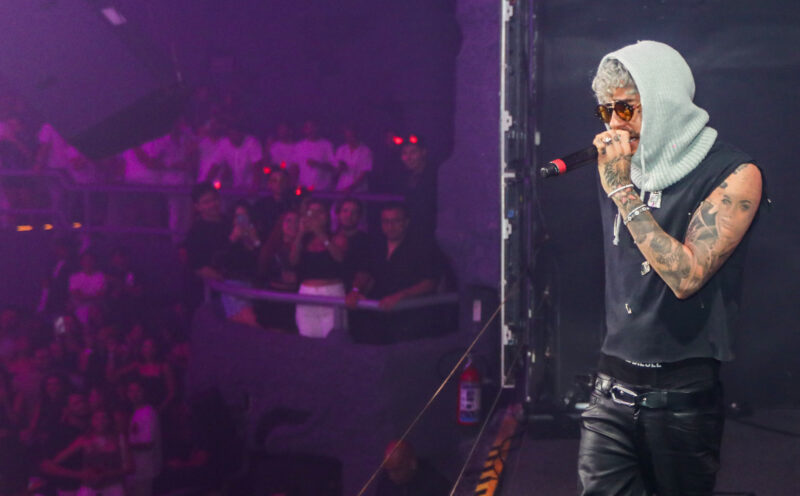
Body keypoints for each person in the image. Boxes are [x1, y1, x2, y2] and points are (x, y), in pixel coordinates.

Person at [577, 41, 764, 496]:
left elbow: (687, 277)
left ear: (663, 102)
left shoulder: (734, 173)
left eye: (627, 108)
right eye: (606, 112)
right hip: (610, 387)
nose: (615, 125)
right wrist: (622, 182)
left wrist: (623, 192)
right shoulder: (621, 168)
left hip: (680, 397)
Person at [345, 204, 440, 344]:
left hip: (408, 318)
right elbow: (364, 272)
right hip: (377, 317)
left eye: (396, 221)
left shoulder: (421, 247)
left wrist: (400, 296)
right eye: (386, 221)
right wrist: (355, 290)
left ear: (406, 222)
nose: (390, 226)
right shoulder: (375, 245)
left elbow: (430, 283)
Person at [290, 199, 348, 338]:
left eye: (319, 212)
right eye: (312, 212)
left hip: (330, 293)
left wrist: (320, 233)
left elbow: (339, 257)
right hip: (306, 293)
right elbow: (292, 261)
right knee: (307, 340)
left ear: (327, 216)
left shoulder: (337, 237)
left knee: (333, 340)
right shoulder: (304, 240)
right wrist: (300, 233)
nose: (315, 215)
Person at [374, 440, 450, 496]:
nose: (391, 476)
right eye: (388, 470)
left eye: (396, 470)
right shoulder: (385, 482)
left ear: (412, 463)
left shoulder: (434, 482)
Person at [293, 120, 335, 191]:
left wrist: (318, 164)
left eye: (313, 127)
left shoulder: (327, 145)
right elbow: (295, 167)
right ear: (304, 130)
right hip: (304, 188)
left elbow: (333, 167)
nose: (311, 130)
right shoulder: (299, 146)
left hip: (323, 188)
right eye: (308, 128)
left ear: (317, 128)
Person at [333, 125, 372, 193]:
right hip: (341, 188)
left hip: (358, 191)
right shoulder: (341, 149)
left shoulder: (365, 151)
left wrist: (351, 187)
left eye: (351, 136)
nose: (350, 139)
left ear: (357, 135)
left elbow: (364, 173)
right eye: (347, 136)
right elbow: (336, 172)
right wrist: (340, 168)